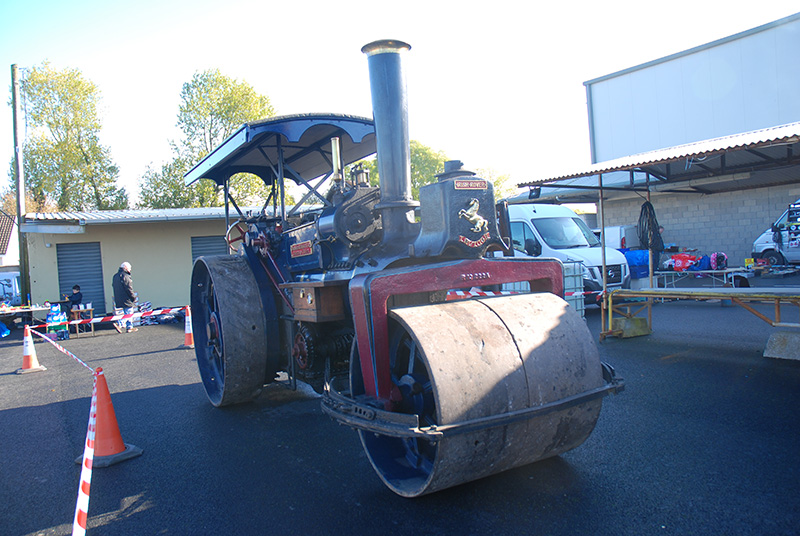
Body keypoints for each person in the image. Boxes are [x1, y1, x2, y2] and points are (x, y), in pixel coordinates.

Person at [112, 262, 138, 333]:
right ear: (126, 268)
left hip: (118, 298)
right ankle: (119, 323)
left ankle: (129, 327)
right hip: (126, 298)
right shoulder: (125, 276)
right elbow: (129, 288)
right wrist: (133, 297)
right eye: (130, 268)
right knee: (129, 313)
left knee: (127, 311)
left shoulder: (115, 276)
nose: (130, 269)